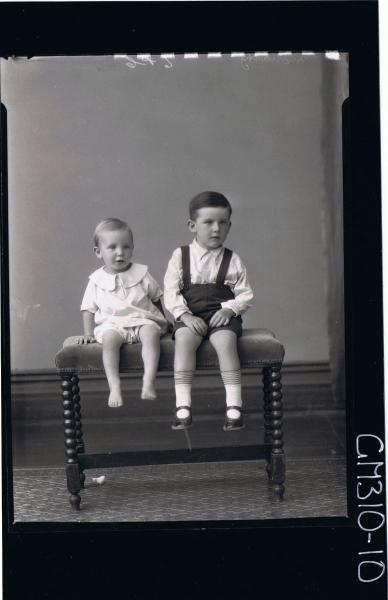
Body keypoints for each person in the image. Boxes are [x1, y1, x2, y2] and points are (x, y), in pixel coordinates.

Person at [164, 191, 253, 431]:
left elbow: (245, 294)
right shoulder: (180, 256)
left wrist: (229, 310)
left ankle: (234, 407)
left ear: (229, 226)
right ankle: (183, 407)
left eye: (222, 223)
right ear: (192, 225)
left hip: (220, 315)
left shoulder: (232, 260)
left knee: (225, 342)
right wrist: (184, 316)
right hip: (190, 315)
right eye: (208, 222)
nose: (216, 229)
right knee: (183, 339)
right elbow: (171, 291)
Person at [78, 218, 168, 407]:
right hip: (113, 324)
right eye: (112, 247)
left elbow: (156, 299)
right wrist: (88, 334)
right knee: (109, 340)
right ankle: (114, 386)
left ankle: (149, 380)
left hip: (142, 319)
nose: (120, 253)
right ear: (98, 252)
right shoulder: (96, 280)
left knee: (151, 333)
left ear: (132, 248)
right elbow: (88, 309)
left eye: (126, 247)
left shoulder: (142, 274)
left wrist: (163, 322)